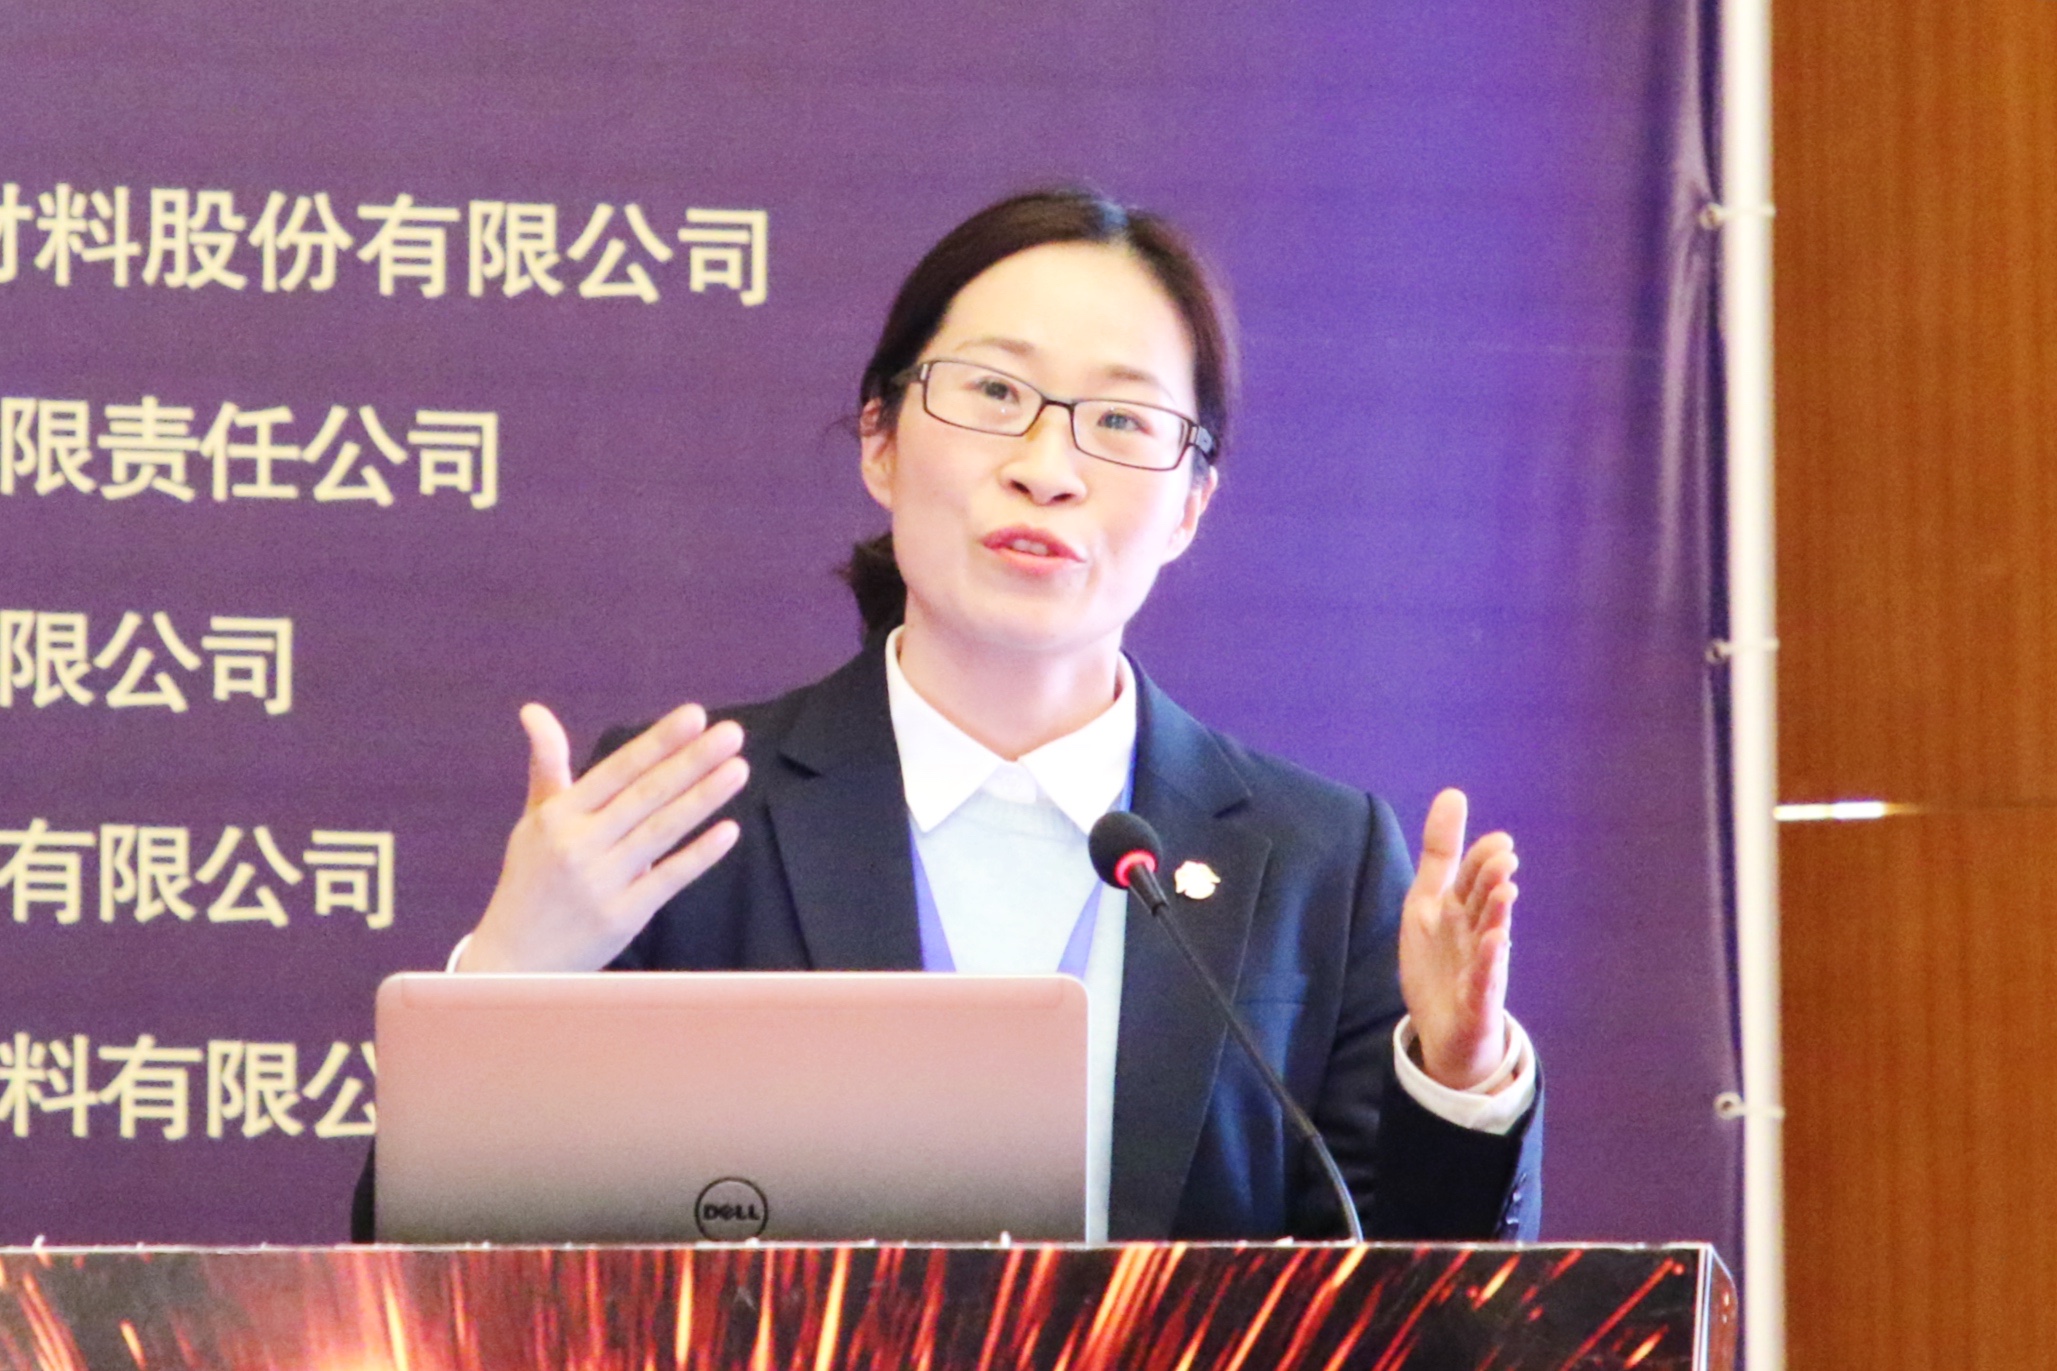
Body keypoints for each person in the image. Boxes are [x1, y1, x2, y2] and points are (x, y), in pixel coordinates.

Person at [355, 188, 1540, 1244]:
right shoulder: (690, 818)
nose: (1046, 467)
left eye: (1121, 421)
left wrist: (1457, 1081)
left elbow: (1424, 1319)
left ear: (1189, 506)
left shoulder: (1316, 861)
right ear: (878, 438)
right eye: (992, 393)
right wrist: (508, 977)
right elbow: (438, 1280)